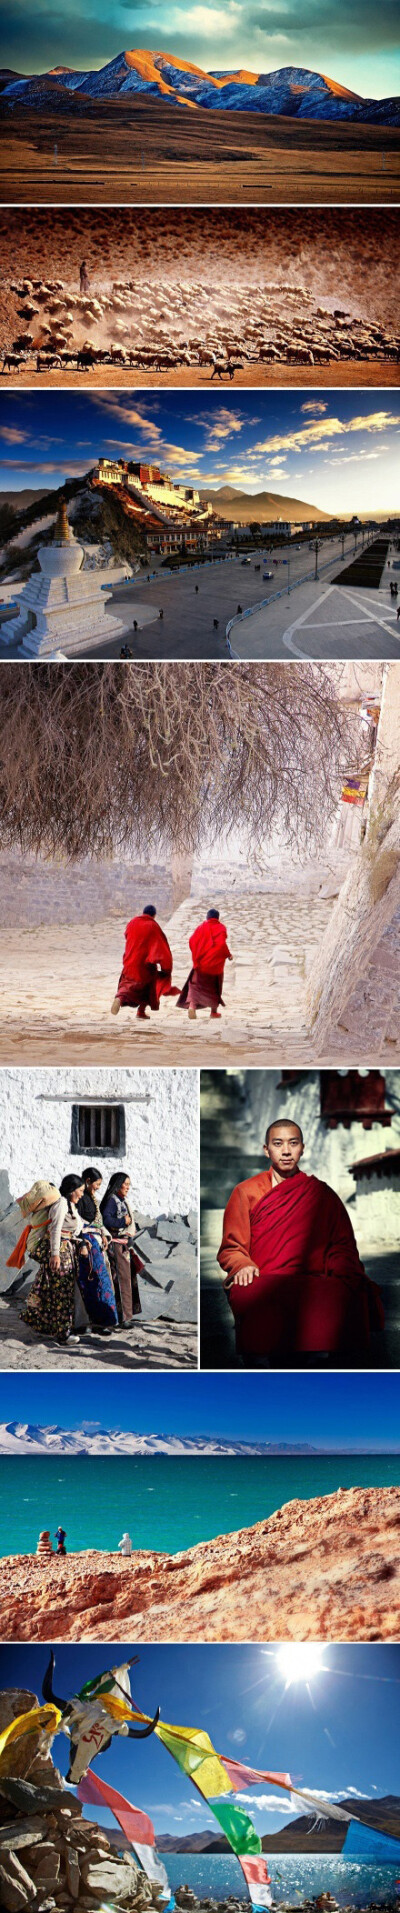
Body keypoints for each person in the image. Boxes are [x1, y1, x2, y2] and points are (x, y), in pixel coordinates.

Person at [218, 1119, 384, 1365]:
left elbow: (341, 1245)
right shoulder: (246, 1192)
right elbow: (232, 1247)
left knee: (353, 1287)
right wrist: (241, 1264)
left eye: (293, 1144)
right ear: (267, 1149)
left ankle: (325, 1367)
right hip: (264, 1278)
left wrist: (343, 1268)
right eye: (278, 1144)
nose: (286, 1151)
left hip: (312, 1279)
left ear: (302, 1148)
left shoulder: (321, 1194)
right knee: (247, 1292)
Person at [59, 1174, 118, 1333]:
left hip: (92, 1248)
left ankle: (97, 1322)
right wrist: (83, 1242)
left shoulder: (86, 1202)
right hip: (76, 1250)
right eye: (96, 1184)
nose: (98, 1187)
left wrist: (103, 1233)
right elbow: (68, 1229)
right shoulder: (65, 1205)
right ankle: (79, 1324)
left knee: (96, 1284)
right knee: (80, 1288)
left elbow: (94, 1223)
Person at [111, 902, 178, 1020]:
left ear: (143, 913)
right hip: (144, 965)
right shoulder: (153, 926)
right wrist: (166, 968)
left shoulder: (132, 922)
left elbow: (127, 935)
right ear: (154, 915)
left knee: (127, 984)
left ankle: (120, 999)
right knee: (149, 985)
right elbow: (161, 947)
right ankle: (140, 1010)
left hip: (129, 960)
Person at [100, 1172, 143, 1326]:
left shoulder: (120, 1200)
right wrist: (123, 1221)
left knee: (125, 1280)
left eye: (129, 1184)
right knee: (122, 1281)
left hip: (122, 1246)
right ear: (118, 1184)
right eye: (125, 1184)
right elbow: (106, 1220)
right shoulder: (112, 1201)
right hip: (117, 1247)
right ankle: (123, 1317)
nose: (128, 1188)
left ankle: (123, 1315)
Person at [177, 907, 232, 1021]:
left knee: (195, 986)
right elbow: (221, 944)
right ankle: (213, 1012)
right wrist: (228, 954)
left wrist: (197, 955)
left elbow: (192, 941)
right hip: (215, 967)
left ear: (207, 918)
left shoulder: (201, 927)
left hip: (201, 964)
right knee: (215, 987)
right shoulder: (221, 928)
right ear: (217, 918)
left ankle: (192, 1006)